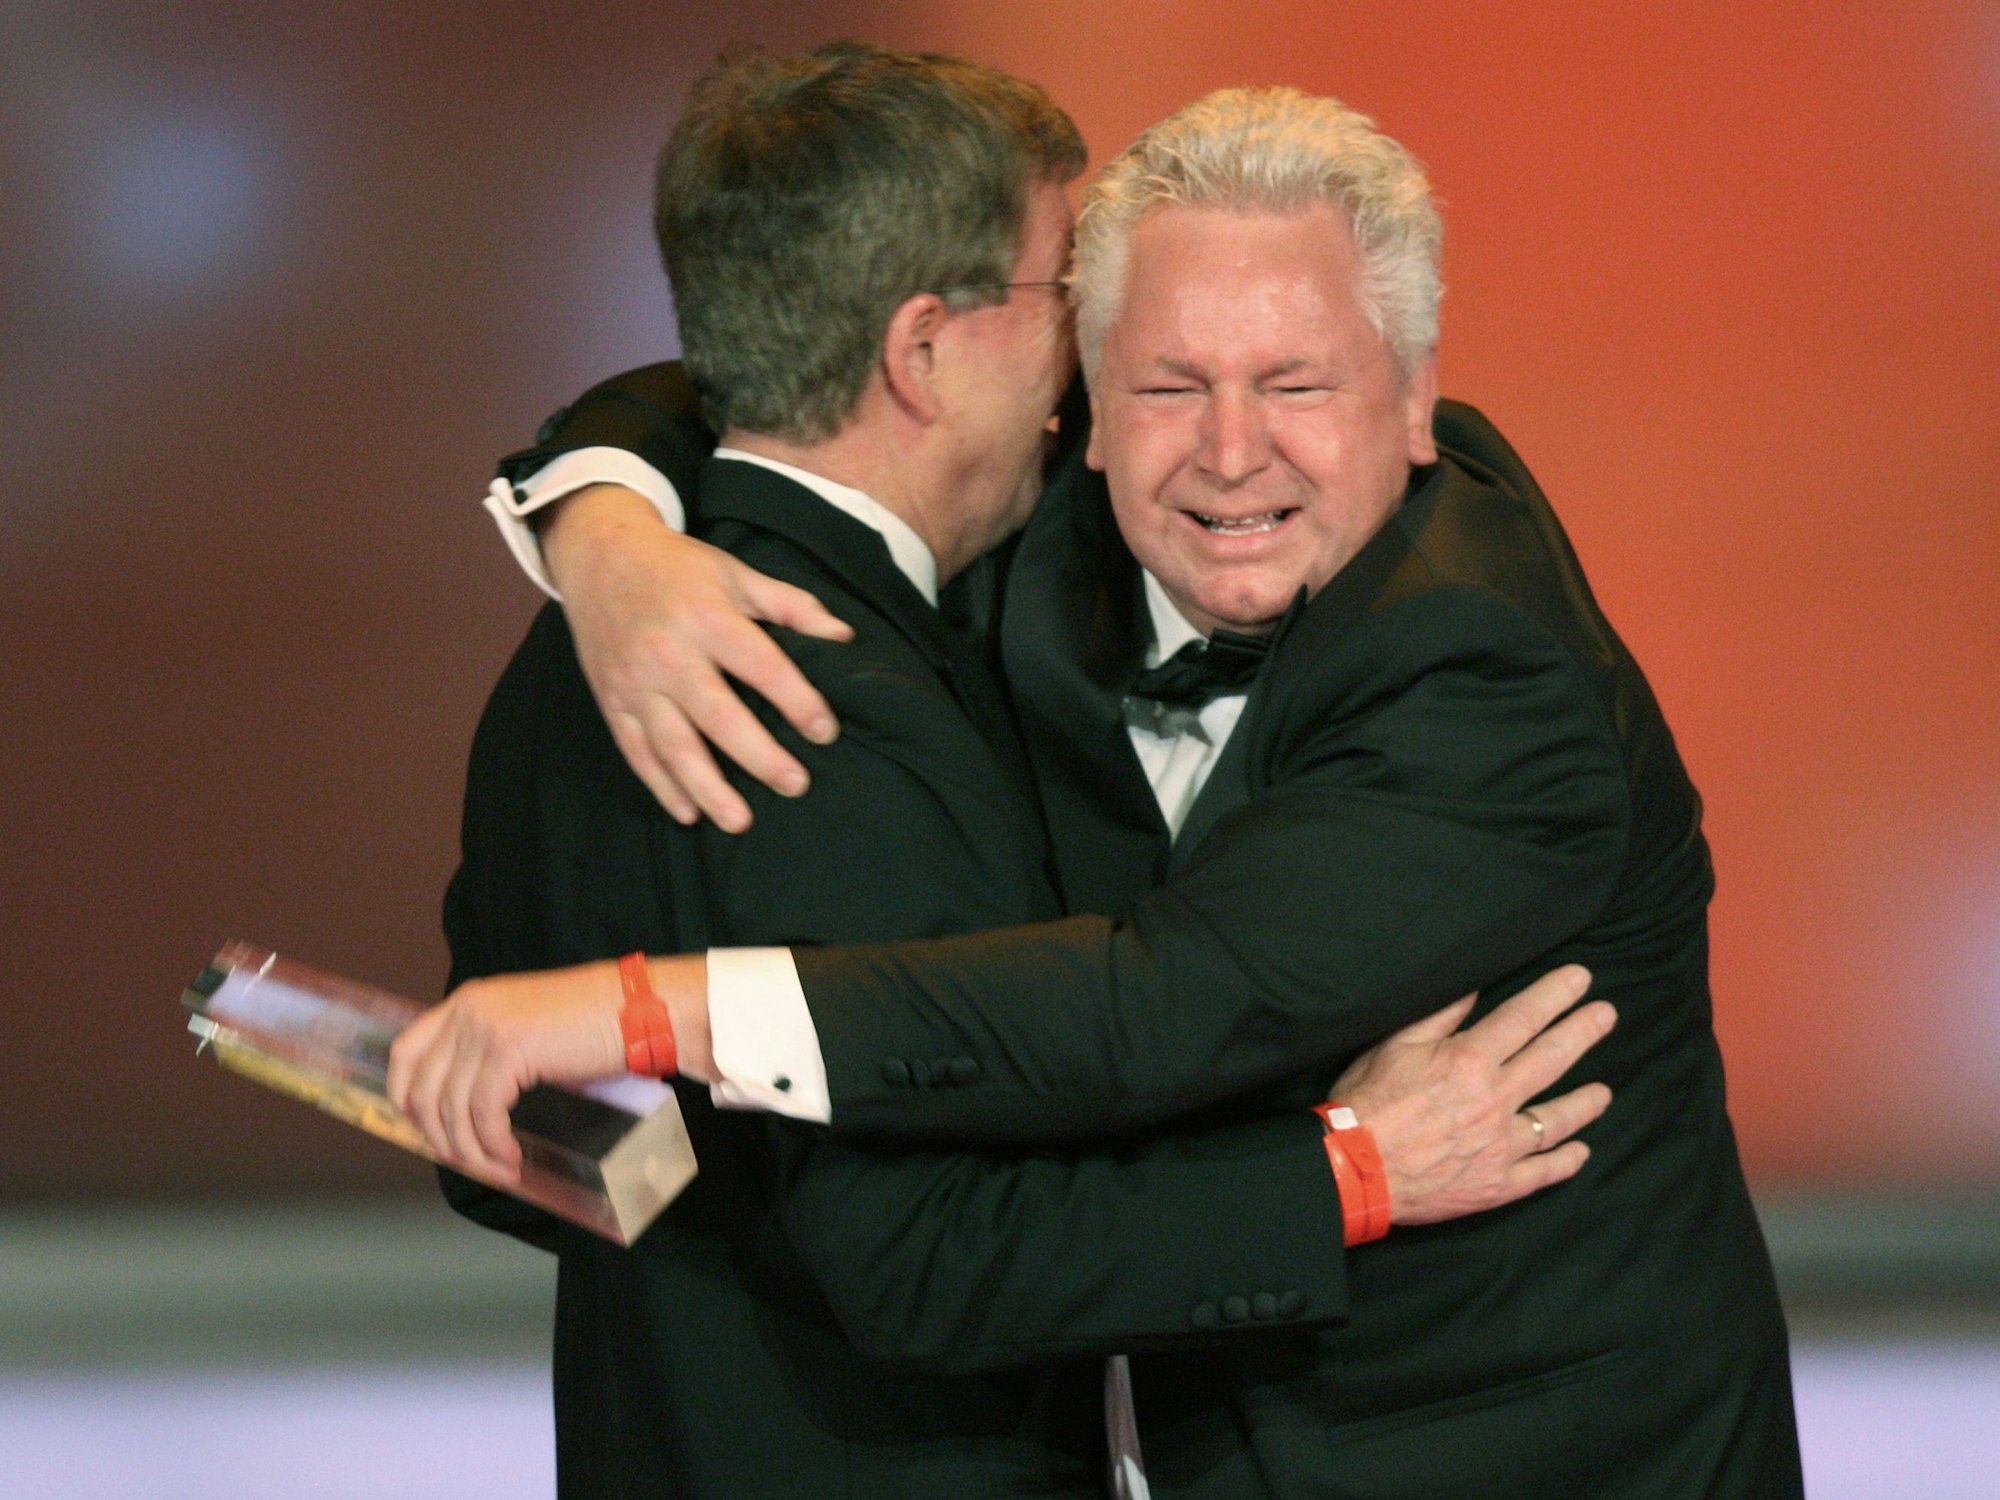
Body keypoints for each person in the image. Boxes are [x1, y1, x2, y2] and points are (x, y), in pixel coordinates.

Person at [393, 47, 1618, 1500]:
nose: (1085, 352)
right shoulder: (827, 714)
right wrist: (1353, 1170)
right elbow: (930, 1262)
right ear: (922, 350)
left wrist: (593, 511)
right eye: (1060, 286)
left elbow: (512, 1159)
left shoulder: (597, 635)